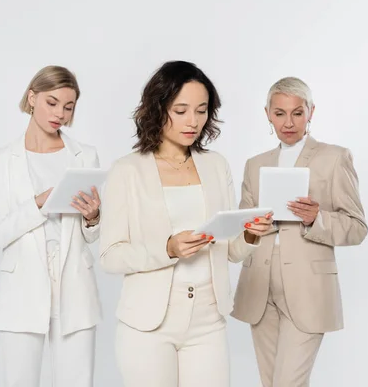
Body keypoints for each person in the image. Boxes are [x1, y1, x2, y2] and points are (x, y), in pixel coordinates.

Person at [99, 60, 273, 387]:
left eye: (201, 110)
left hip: (208, 319)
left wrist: (249, 236)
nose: (193, 121)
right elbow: (110, 255)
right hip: (148, 324)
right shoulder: (128, 170)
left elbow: (230, 251)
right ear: (157, 108)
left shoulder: (216, 165)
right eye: (180, 110)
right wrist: (168, 248)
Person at [232, 77, 368, 387]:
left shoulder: (334, 157)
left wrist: (315, 219)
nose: (289, 122)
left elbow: (357, 227)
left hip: (308, 288)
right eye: (279, 113)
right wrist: (252, 226)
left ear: (311, 112)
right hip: (258, 285)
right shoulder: (255, 164)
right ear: (267, 113)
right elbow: (243, 226)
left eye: (297, 112)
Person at [0, 65, 102, 387]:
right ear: (32, 97)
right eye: (52, 103)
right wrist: (37, 204)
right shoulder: (1, 160)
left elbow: (91, 235)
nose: (60, 114)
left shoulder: (85, 156)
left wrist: (93, 217)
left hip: (74, 288)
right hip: (21, 289)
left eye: (68, 107)